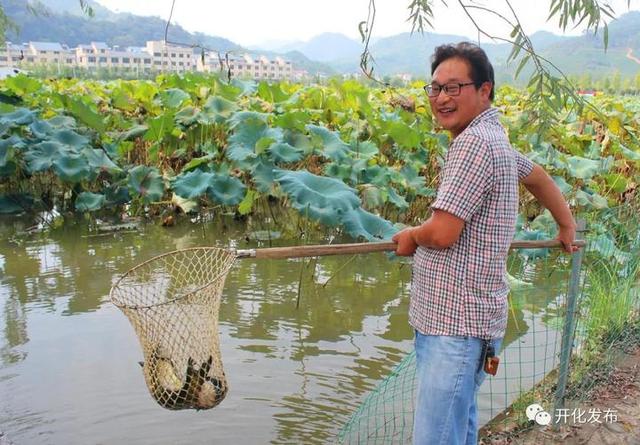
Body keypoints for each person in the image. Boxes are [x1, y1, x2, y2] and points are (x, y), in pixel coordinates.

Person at [391, 42, 578, 445]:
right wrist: (566, 225)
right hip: (472, 323)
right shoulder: (494, 139)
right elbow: (539, 176)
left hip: (454, 327)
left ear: (484, 90)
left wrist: (411, 236)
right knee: (458, 431)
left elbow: (442, 233)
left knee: (436, 438)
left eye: (454, 87)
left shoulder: (474, 143)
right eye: (435, 88)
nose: (442, 98)